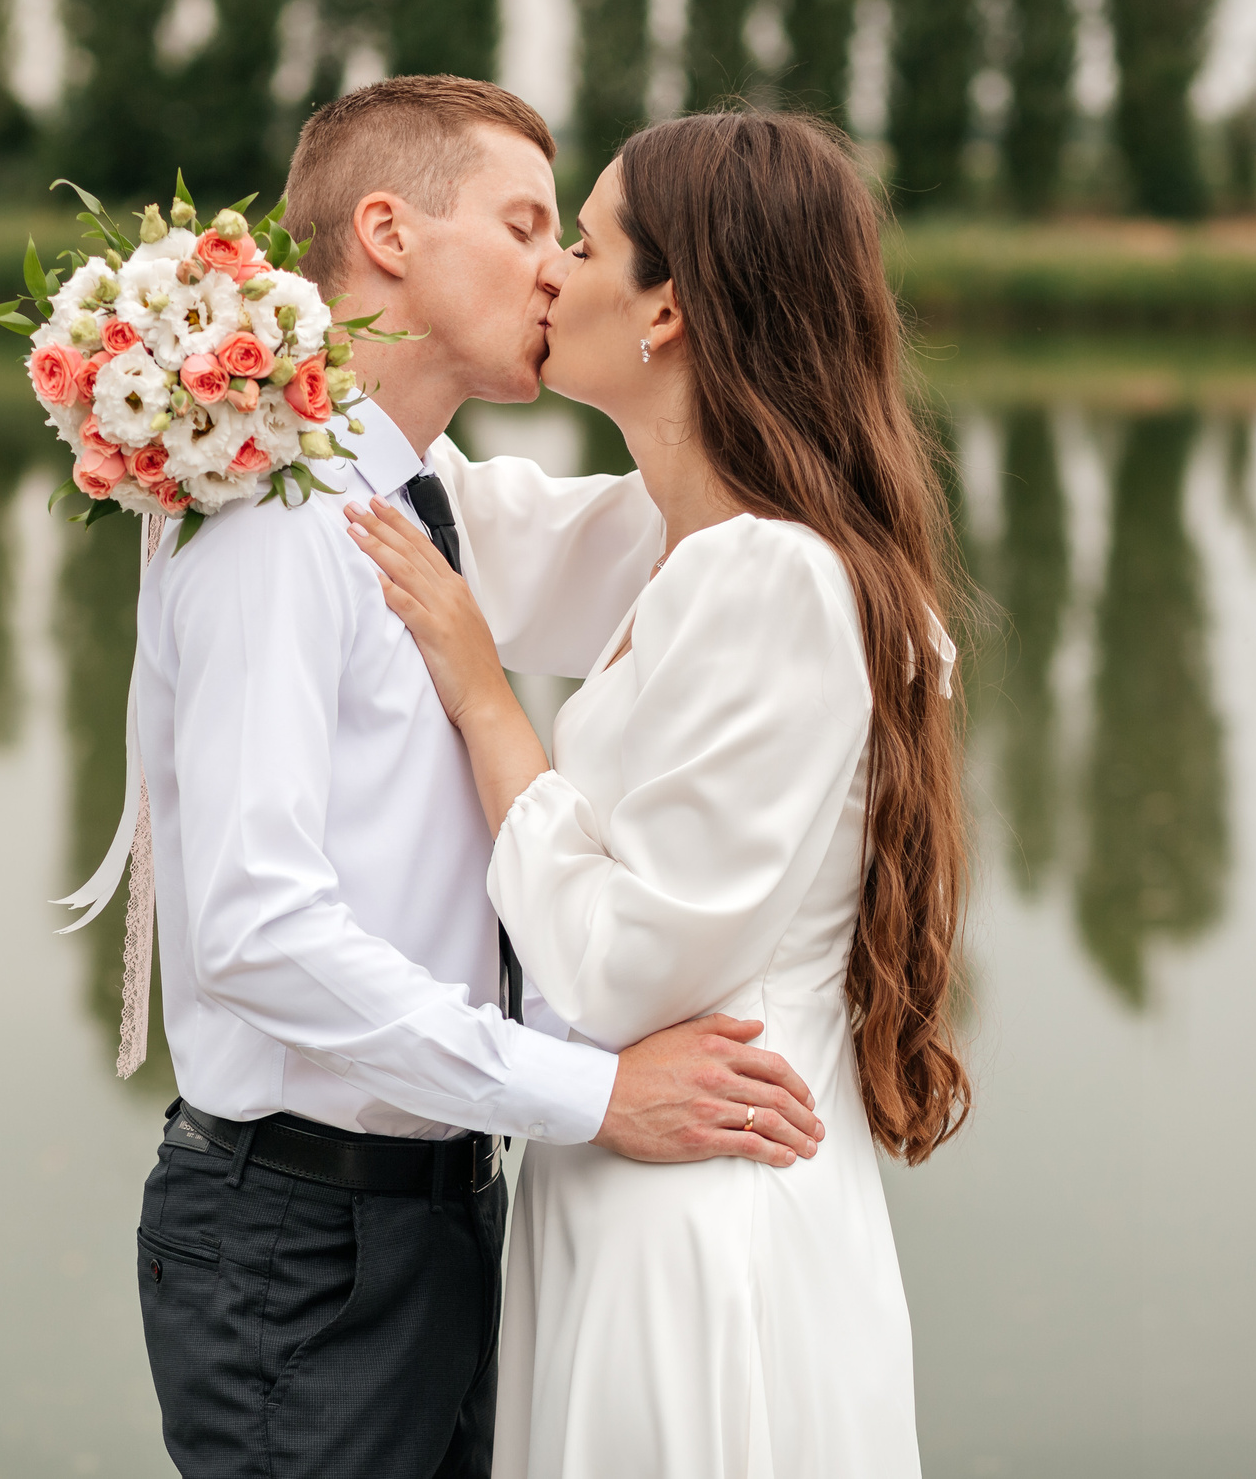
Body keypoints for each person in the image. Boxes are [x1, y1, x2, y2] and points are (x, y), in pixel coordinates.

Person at [130, 78, 828, 1479]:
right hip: (305, 1248)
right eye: (524, 225)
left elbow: (683, 533)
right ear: (387, 233)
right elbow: (257, 930)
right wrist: (591, 1092)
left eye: (570, 235)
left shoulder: (423, 502)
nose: (555, 266)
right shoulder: (278, 524)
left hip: (444, 1215)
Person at [347, 108, 970, 1478]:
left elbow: (630, 967)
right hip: (634, 1179)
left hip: (701, 1226)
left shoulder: (776, 580)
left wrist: (484, 695)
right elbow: (450, 516)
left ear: (671, 309)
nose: (553, 274)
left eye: (578, 241)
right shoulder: (683, 537)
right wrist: (239, 349)